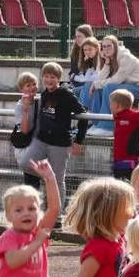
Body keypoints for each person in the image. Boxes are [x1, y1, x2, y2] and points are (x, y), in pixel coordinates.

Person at [15, 62, 89, 209]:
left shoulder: (66, 94)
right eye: (46, 76)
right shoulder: (44, 94)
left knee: (57, 180)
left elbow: (84, 115)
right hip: (41, 140)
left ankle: (56, 214)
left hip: (59, 143)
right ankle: (47, 178)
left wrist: (79, 141)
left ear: (58, 78)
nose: (49, 80)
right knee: (25, 163)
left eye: (53, 77)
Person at [86, 36, 139, 136]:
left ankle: (107, 127)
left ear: (116, 46)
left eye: (109, 46)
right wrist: (107, 64)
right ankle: (97, 123)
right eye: (104, 47)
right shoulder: (111, 58)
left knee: (108, 88)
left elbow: (117, 80)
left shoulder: (126, 58)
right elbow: (100, 79)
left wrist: (97, 84)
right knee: (98, 89)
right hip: (127, 86)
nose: (106, 49)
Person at [75, 37, 102, 107]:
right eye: (85, 50)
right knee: (73, 91)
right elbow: (86, 77)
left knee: (87, 85)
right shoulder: (90, 60)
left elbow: (97, 77)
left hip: (102, 84)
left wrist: (75, 77)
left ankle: (85, 109)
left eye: (90, 49)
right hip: (94, 84)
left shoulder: (101, 58)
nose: (87, 52)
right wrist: (85, 63)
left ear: (96, 49)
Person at [68, 24, 95, 93]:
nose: (76, 39)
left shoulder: (95, 51)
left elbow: (94, 74)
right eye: (76, 37)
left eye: (79, 36)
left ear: (88, 37)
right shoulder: (75, 52)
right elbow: (73, 73)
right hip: (77, 83)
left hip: (91, 84)